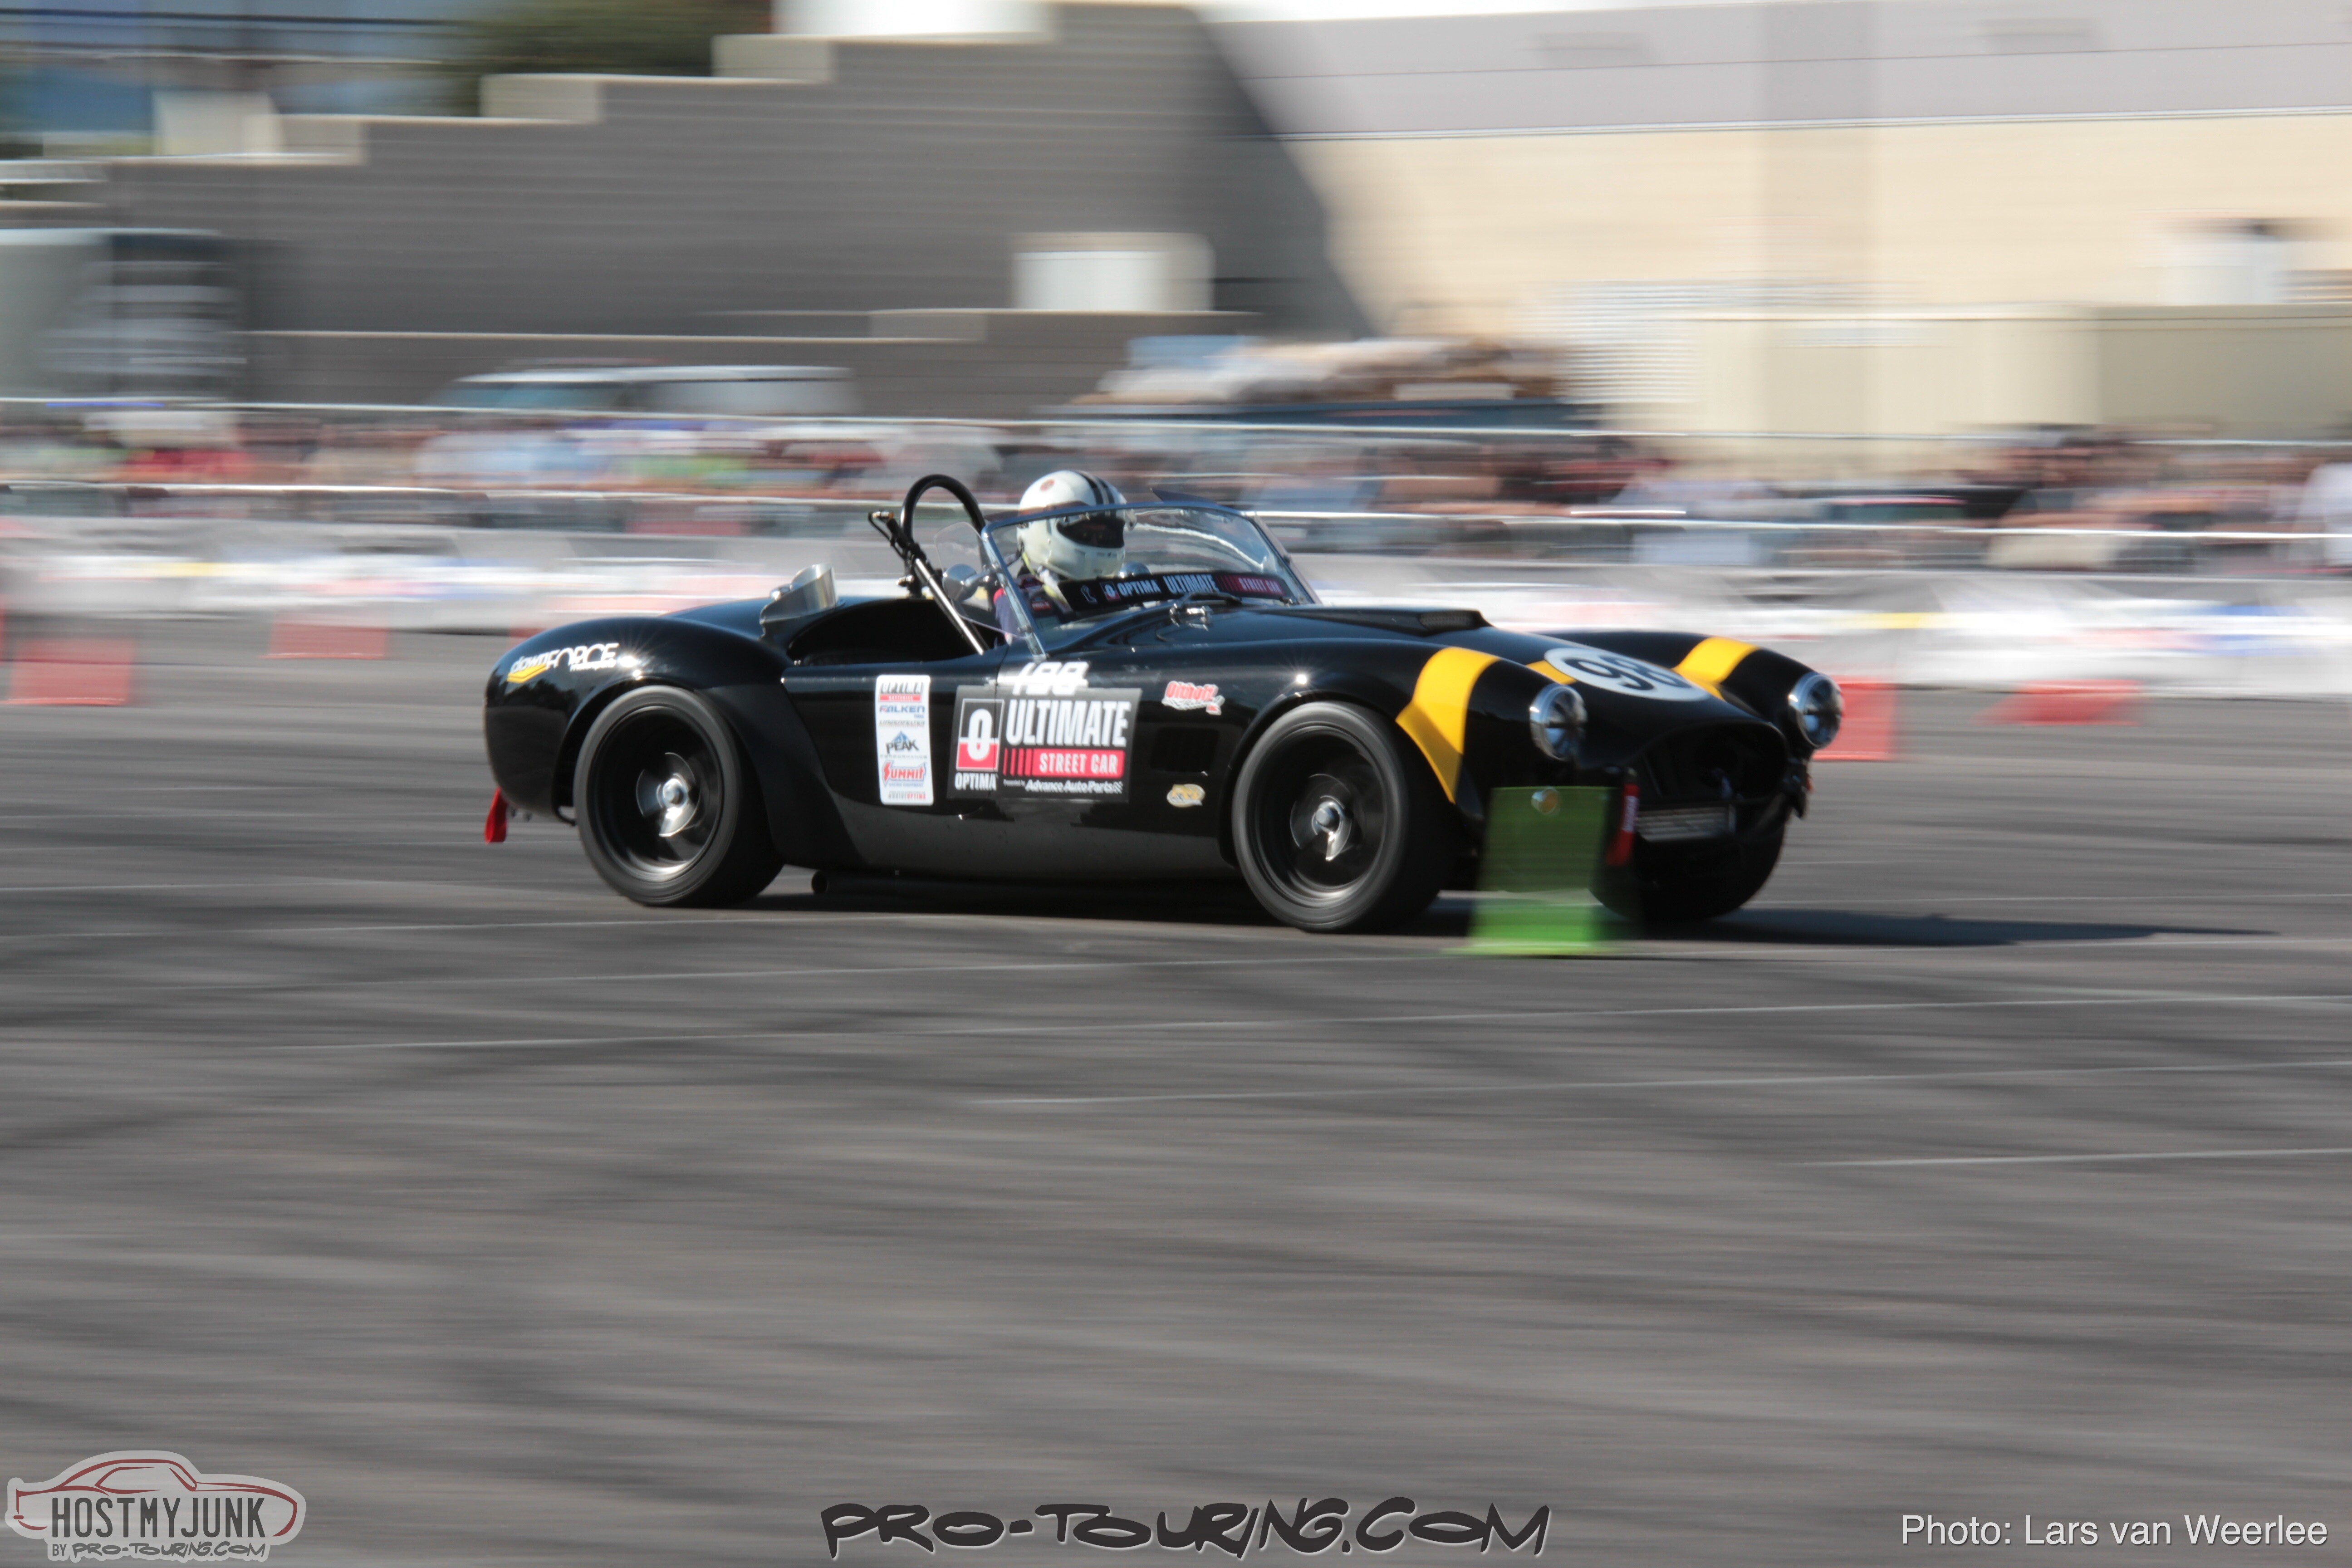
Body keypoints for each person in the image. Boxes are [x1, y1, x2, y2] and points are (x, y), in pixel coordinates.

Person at [990, 469, 1127, 633]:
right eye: (1083, 534)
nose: (1096, 543)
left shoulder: (1120, 591)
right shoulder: (1019, 601)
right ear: (1041, 531)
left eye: (1106, 537)